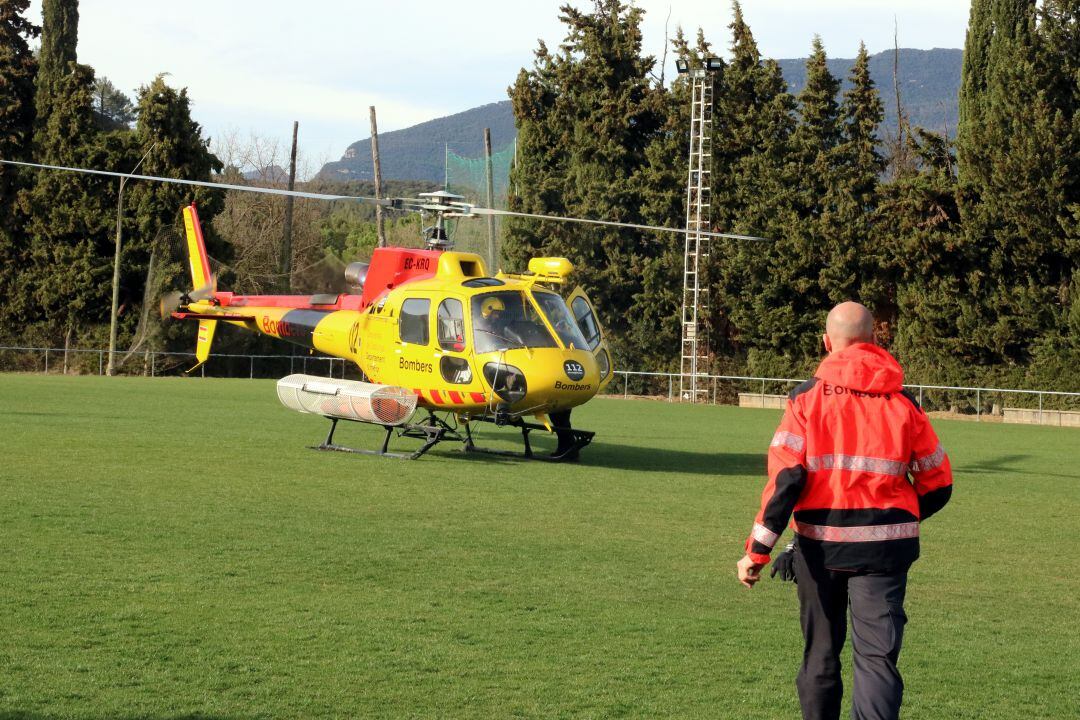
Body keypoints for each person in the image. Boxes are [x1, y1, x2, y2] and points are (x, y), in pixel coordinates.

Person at [736, 301, 953, 720]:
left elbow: (786, 482)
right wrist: (897, 518)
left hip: (820, 551)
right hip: (885, 554)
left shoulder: (805, 400)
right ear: (874, 341)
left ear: (826, 342)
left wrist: (757, 552)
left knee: (820, 655)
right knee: (877, 660)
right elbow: (938, 483)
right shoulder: (904, 403)